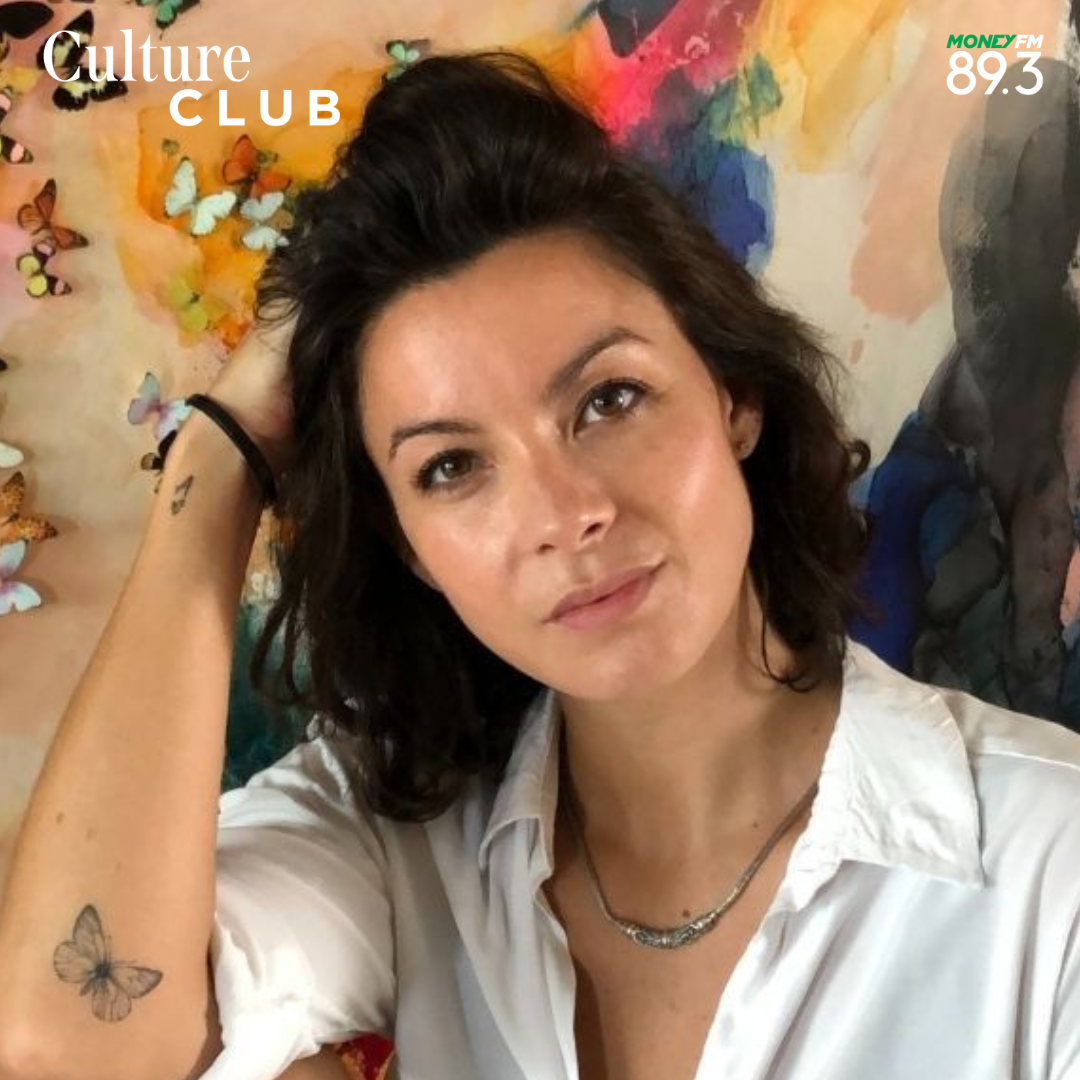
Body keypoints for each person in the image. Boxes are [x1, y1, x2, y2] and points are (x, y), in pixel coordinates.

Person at [1, 47, 1080, 1080]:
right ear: (410, 547)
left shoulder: (1050, 864)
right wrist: (221, 449)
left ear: (734, 396)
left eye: (609, 400)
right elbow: (72, 1036)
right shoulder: (394, 834)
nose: (567, 517)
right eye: (451, 467)